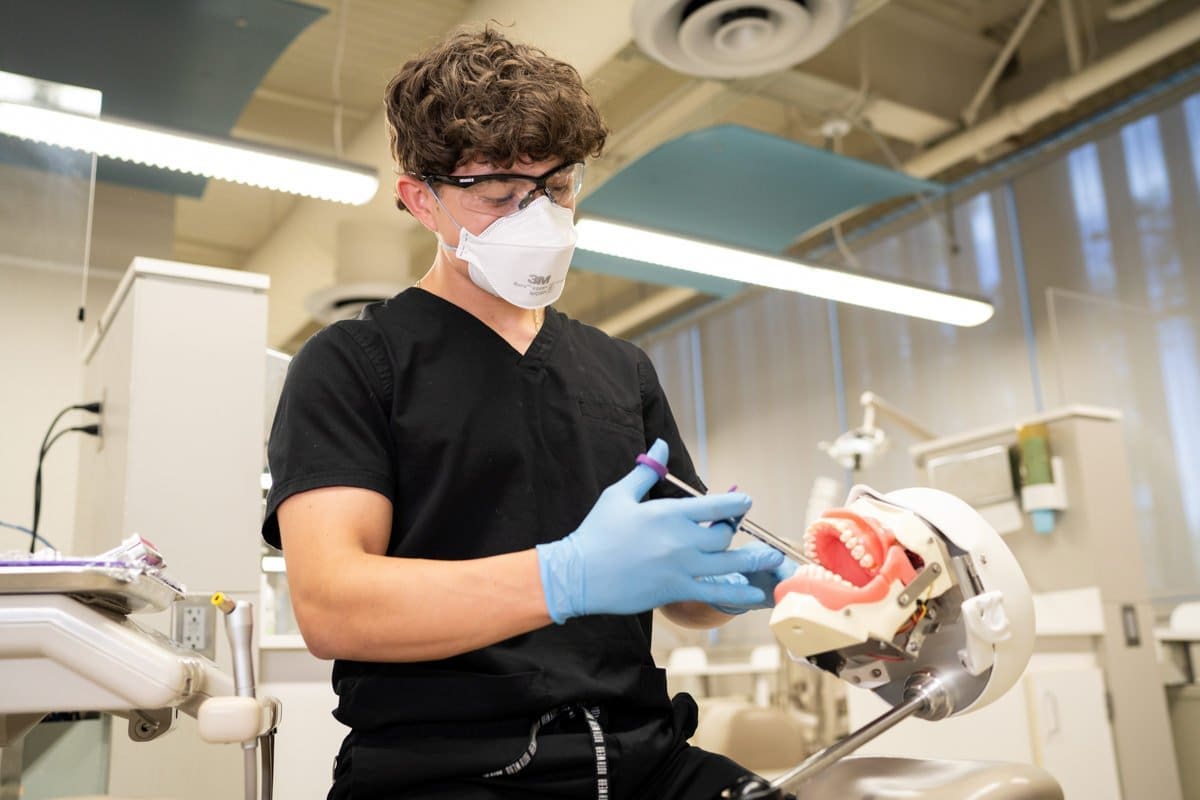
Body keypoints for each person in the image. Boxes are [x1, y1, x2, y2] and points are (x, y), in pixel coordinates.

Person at [263, 27, 794, 800]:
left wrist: (744, 582)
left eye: (558, 188)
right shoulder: (354, 364)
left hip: (644, 758)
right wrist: (565, 577)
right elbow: (333, 606)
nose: (537, 218)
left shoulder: (620, 369)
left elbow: (680, 596)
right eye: (501, 196)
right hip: (448, 768)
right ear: (421, 199)